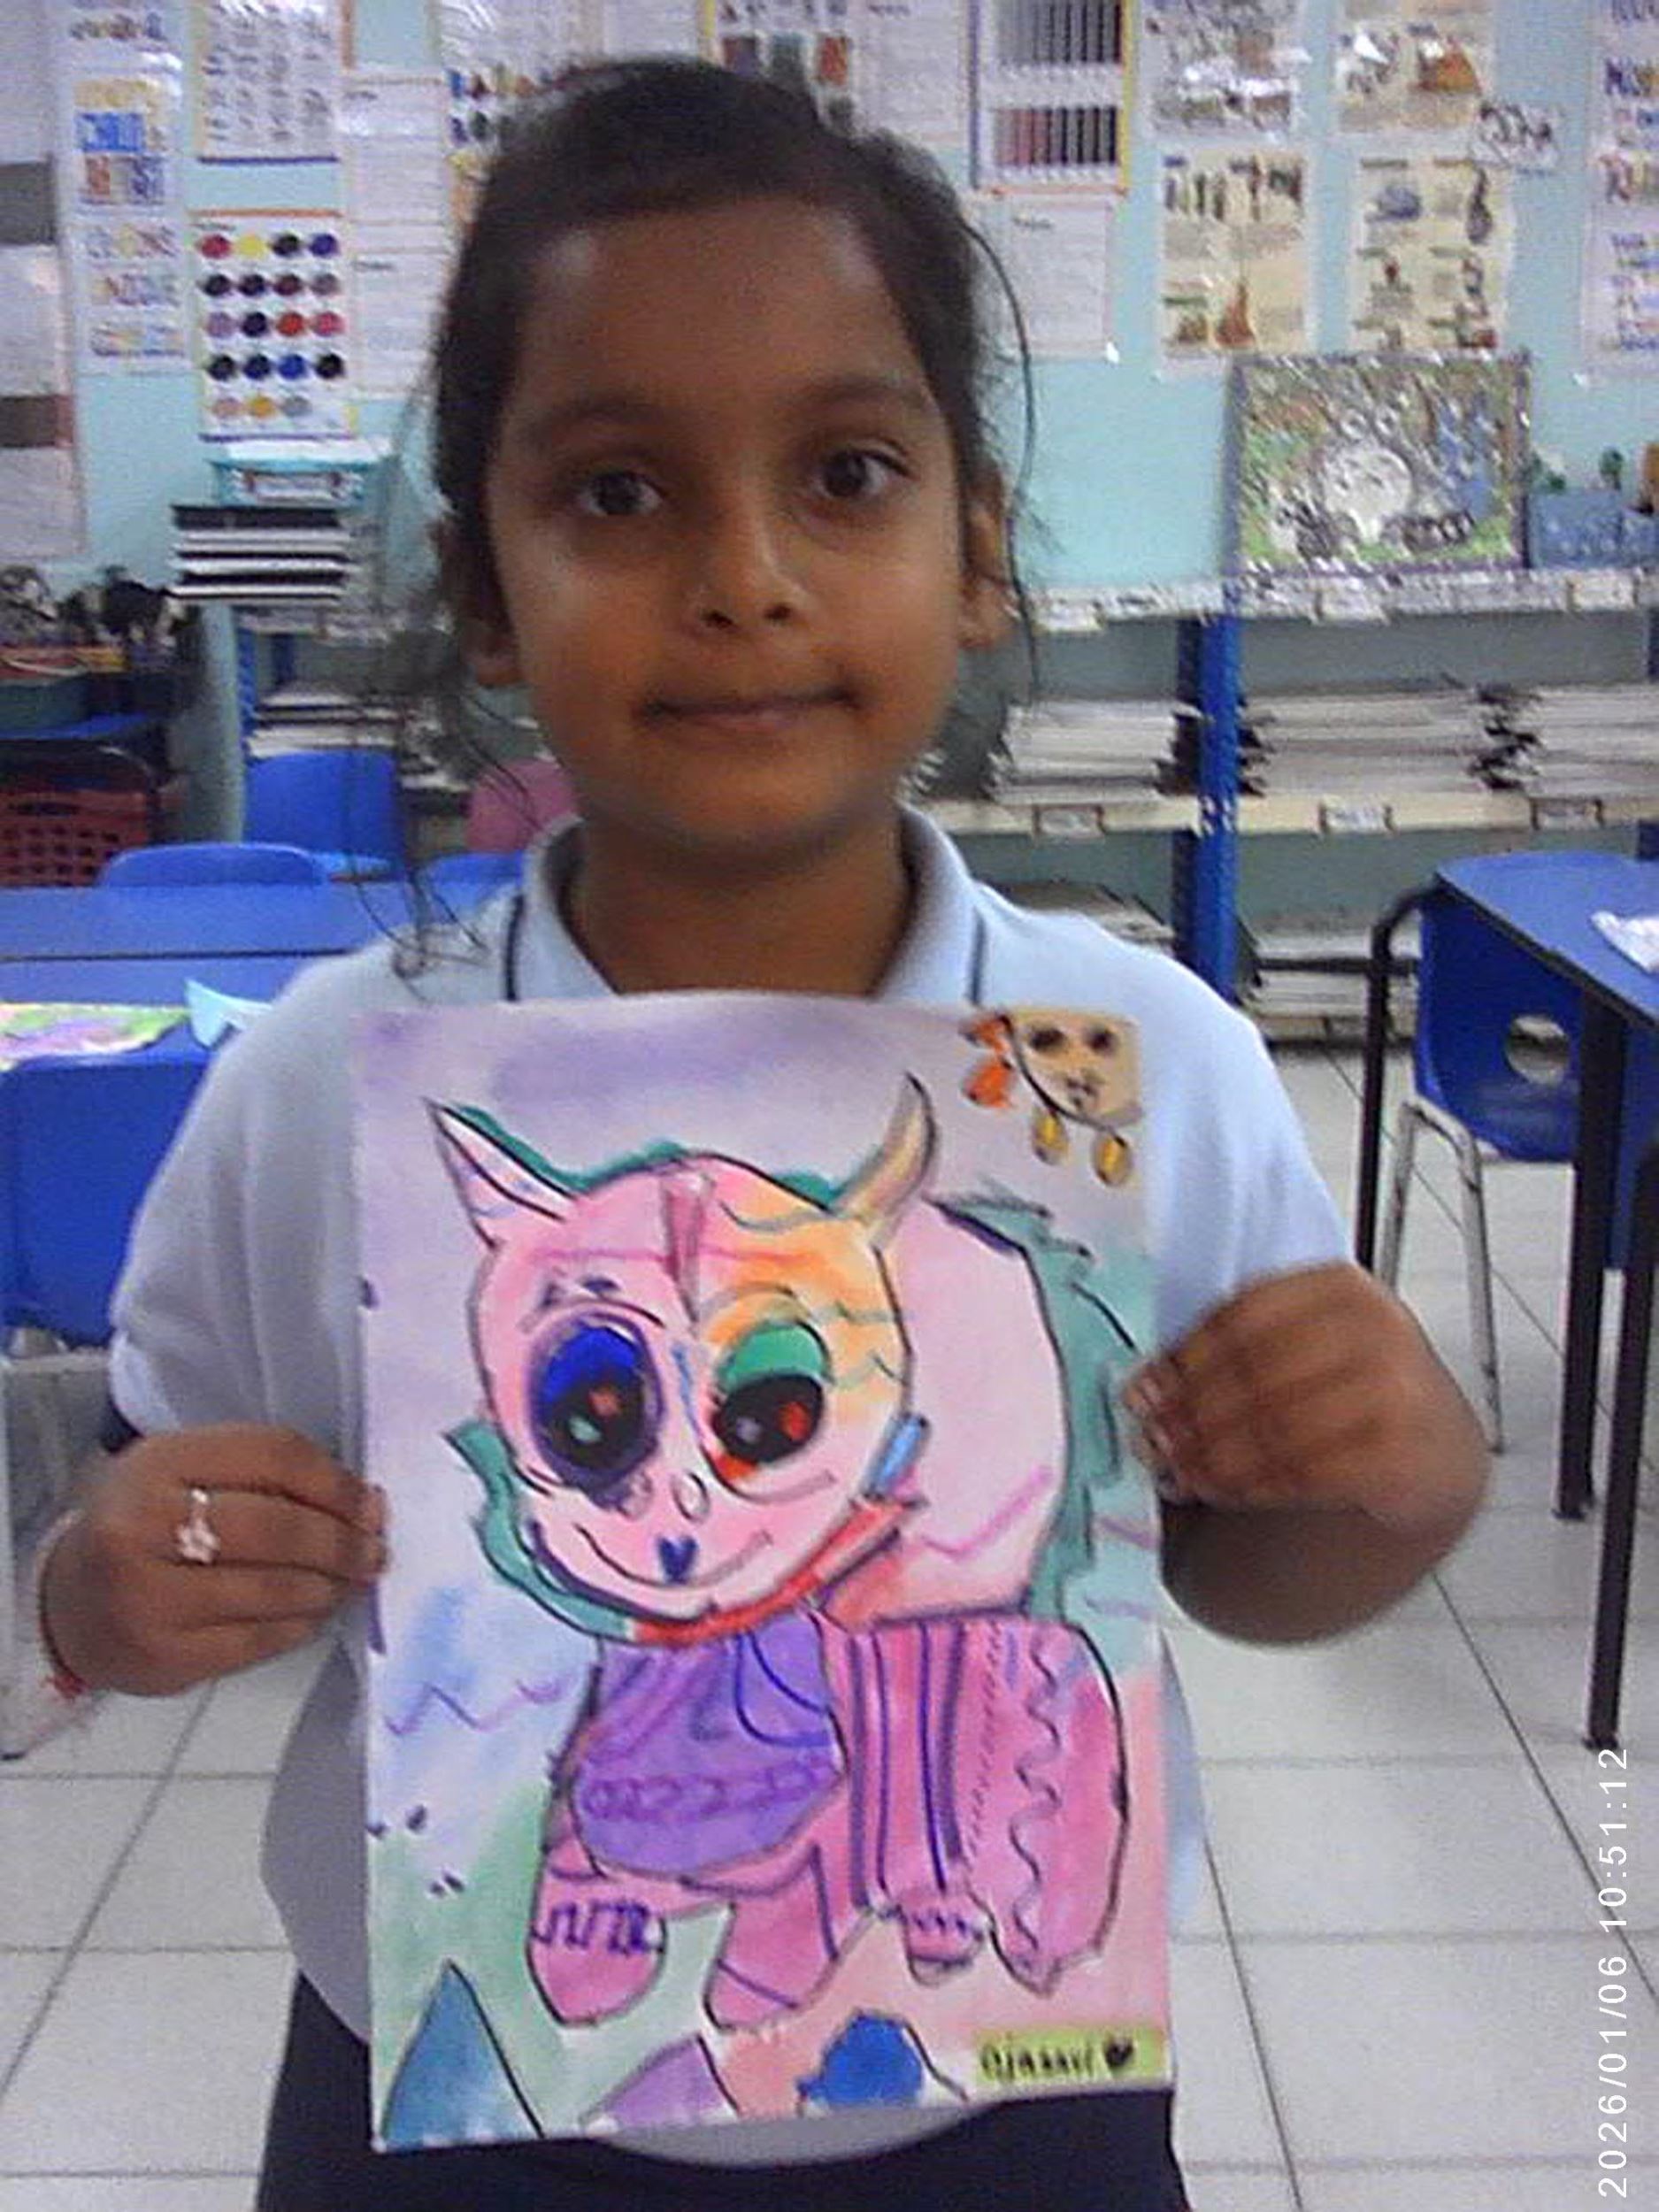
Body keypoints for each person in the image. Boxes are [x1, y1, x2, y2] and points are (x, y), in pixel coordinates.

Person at [24, 58, 1487, 2211]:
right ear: (488, 588)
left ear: (973, 554)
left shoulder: (1142, 1069)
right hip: (455, 2099)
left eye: (845, 471)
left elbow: (1224, 1563)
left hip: (1003, 2102)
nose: (742, 575)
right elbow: (140, 1500)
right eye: (618, 491)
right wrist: (102, 1587)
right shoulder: (321, 1087)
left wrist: (1398, 1475)